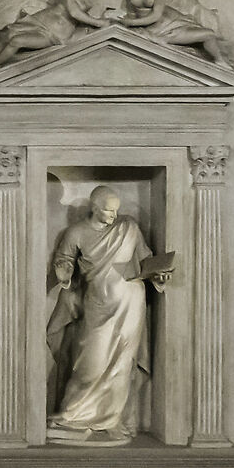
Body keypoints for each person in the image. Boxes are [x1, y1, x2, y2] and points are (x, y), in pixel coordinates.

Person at [45, 186, 169, 445]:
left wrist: (159, 274)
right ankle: (71, 415)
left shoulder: (129, 227)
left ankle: (111, 420)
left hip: (131, 305)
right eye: (108, 210)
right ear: (94, 208)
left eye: (116, 210)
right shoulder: (76, 232)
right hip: (97, 305)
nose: (114, 215)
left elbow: (145, 259)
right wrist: (63, 271)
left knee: (121, 365)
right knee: (89, 364)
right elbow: (64, 259)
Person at [0, 0, 106, 69]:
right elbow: (75, 13)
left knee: (16, 40)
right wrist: (99, 22)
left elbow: (80, 14)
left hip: (55, 35)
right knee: (9, 32)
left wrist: (97, 21)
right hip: (41, 25)